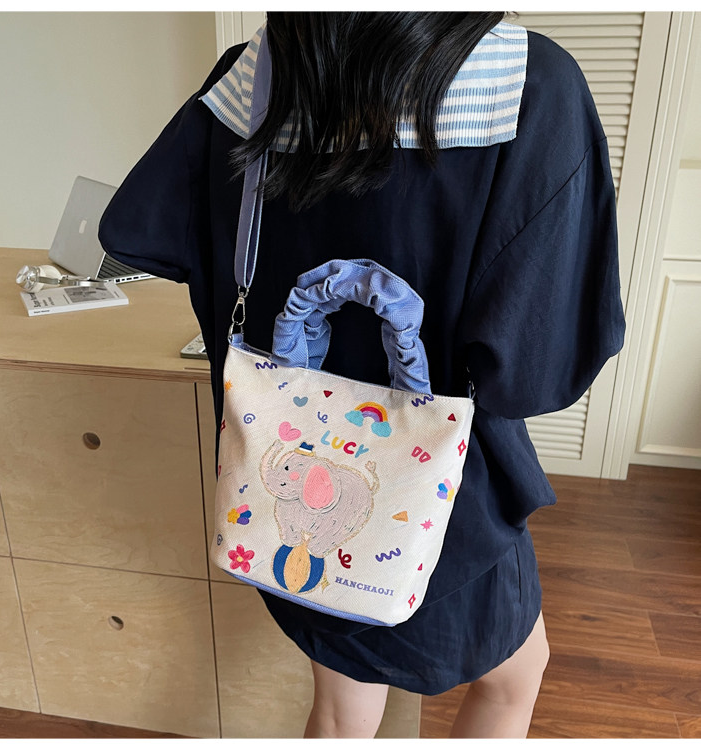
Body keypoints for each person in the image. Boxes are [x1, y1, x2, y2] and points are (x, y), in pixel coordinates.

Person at [98, 12, 625, 738]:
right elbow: (534, 371)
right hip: (443, 499)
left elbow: (148, 237)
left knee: (343, 708)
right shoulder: (527, 83)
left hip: (289, 488)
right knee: (512, 680)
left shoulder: (255, 74)